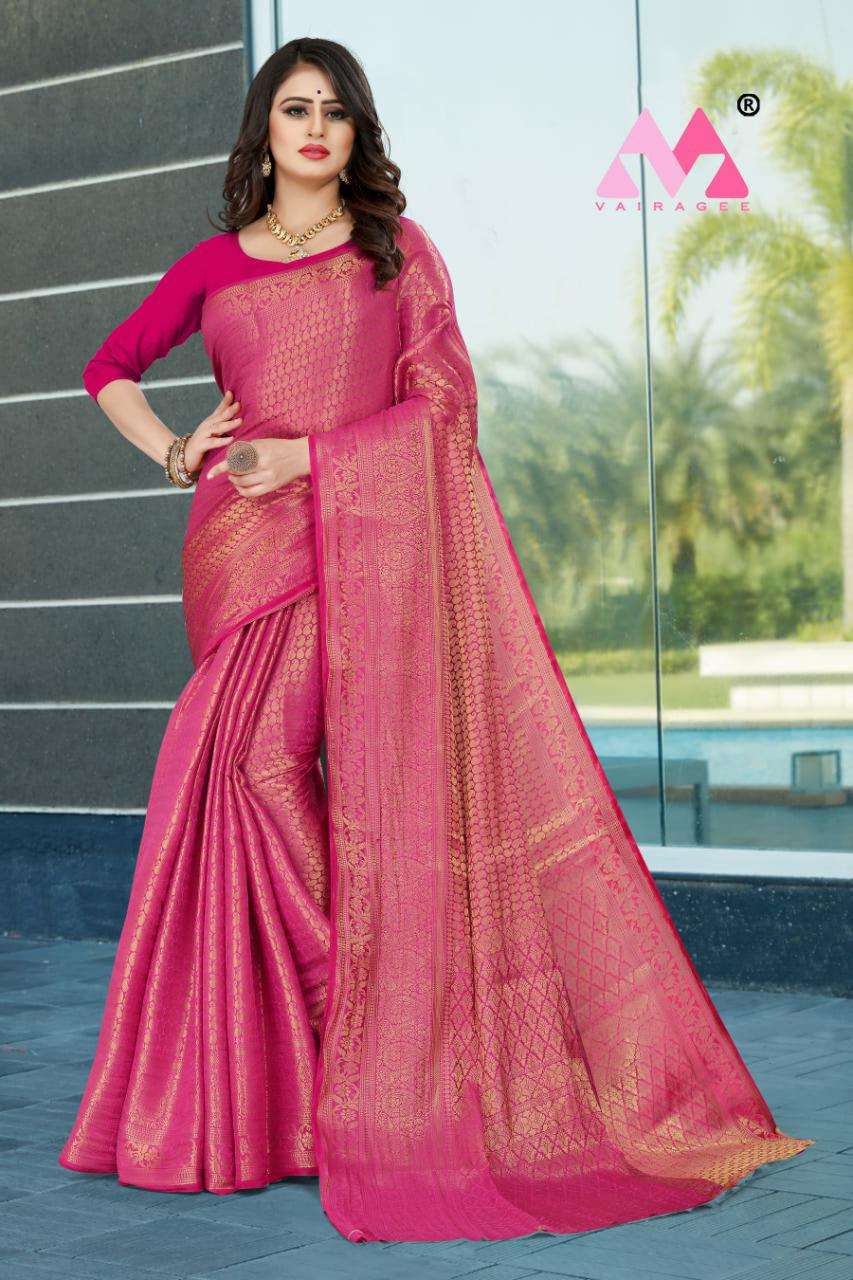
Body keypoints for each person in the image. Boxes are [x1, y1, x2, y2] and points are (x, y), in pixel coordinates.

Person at [58, 35, 813, 1245]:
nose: (315, 128)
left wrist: (311, 458)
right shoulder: (212, 262)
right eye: (294, 108)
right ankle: (335, 1052)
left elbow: (447, 409)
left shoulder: (394, 252)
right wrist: (174, 449)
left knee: (260, 770)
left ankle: (372, 1032)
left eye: (335, 111)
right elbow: (106, 365)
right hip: (240, 549)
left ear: (357, 133)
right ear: (264, 130)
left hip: (355, 540)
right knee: (232, 775)